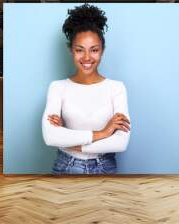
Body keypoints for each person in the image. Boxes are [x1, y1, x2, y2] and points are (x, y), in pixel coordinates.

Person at [42, 3, 131, 174]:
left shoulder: (116, 88)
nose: (87, 57)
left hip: (105, 166)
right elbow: (50, 136)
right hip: (66, 166)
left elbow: (121, 142)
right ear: (71, 50)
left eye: (94, 50)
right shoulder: (58, 87)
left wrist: (69, 139)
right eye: (79, 50)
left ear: (102, 50)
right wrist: (103, 133)